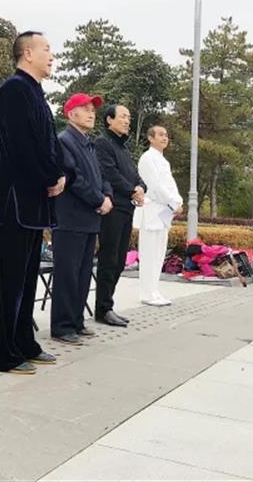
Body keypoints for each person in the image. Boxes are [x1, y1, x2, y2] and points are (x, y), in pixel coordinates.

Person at [0, 31, 64, 375]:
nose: (51, 55)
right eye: (46, 49)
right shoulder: (13, 89)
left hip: (32, 200)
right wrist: (50, 176)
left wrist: (59, 174)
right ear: (27, 53)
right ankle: (0, 353)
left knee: (26, 278)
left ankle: (24, 342)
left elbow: (48, 144)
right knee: (7, 281)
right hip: (13, 201)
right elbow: (21, 146)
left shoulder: (35, 93)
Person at [51, 93, 113, 345]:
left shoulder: (88, 143)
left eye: (93, 110)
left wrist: (107, 195)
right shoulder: (64, 141)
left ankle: (76, 320)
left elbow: (101, 175)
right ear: (71, 113)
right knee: (67, 274)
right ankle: (62, 326)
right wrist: (99, 200)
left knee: (83, 273)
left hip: (89, 219)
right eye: (85, 109)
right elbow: (74, 178)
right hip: (70, 218)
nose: (91, 114)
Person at [94, 105, 147, 327]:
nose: (127, 121)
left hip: (127, 209)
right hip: (113, 209)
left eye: (129, 117)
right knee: (109, 259)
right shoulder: (102, 143)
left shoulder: (123, 148)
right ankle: (103, 309)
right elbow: (109, 174)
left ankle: (108, 305)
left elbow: (135, 175)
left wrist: (141, 187)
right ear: (109, 119)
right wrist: (132, 191)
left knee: (119, 262)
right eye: (123, 116)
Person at [135, 125, 182, 307]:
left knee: (159, 254)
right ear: (150, 138)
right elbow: (154, 186)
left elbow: (170, 185)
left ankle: (154, 290)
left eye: (166, 135)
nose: (164, 138)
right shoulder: (147, 158)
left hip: (164, 213)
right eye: (160, 135)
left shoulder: (163, 161)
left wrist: (177, 201)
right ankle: (147, 293)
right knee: (149, 255)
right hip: (152, 210)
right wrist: (173, 202)